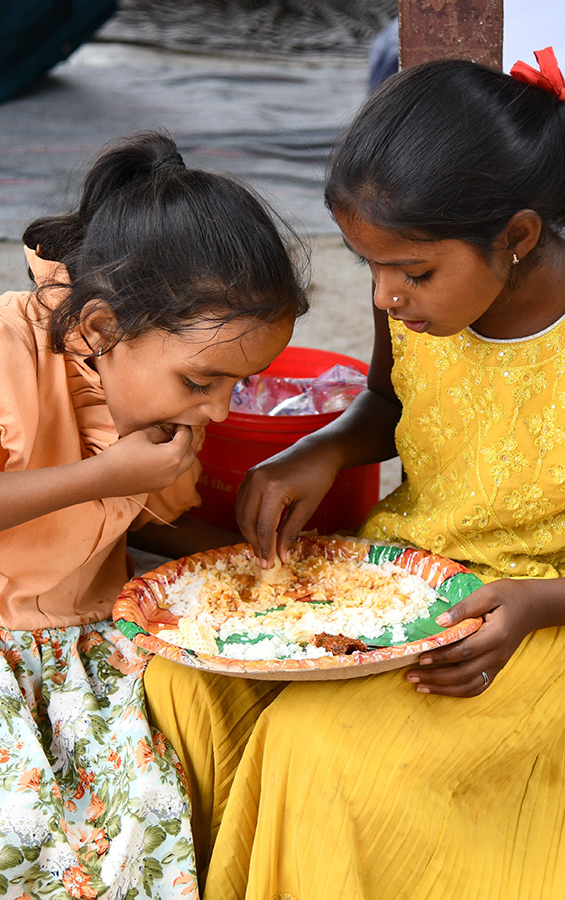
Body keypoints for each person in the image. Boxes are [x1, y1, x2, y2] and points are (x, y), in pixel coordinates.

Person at [0, 129, 310, 900]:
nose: (219, 410)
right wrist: (98, 475)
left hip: (74, 643)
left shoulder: (135, 385)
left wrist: (253, 553)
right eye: (202, 381)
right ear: (99, 330)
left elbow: (134, 518)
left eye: (240, 386)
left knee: (146, 814)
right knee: (3, 832)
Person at [144, 49, 565, 900]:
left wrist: (538, 605)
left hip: (534, 615)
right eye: (364, 264)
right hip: (411, 580)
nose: (383, 298)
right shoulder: (420, 309)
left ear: (517, 238)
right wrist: (323, 448)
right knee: (176, 685)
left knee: (317, 751)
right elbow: (390, 403)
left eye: (411, 271)